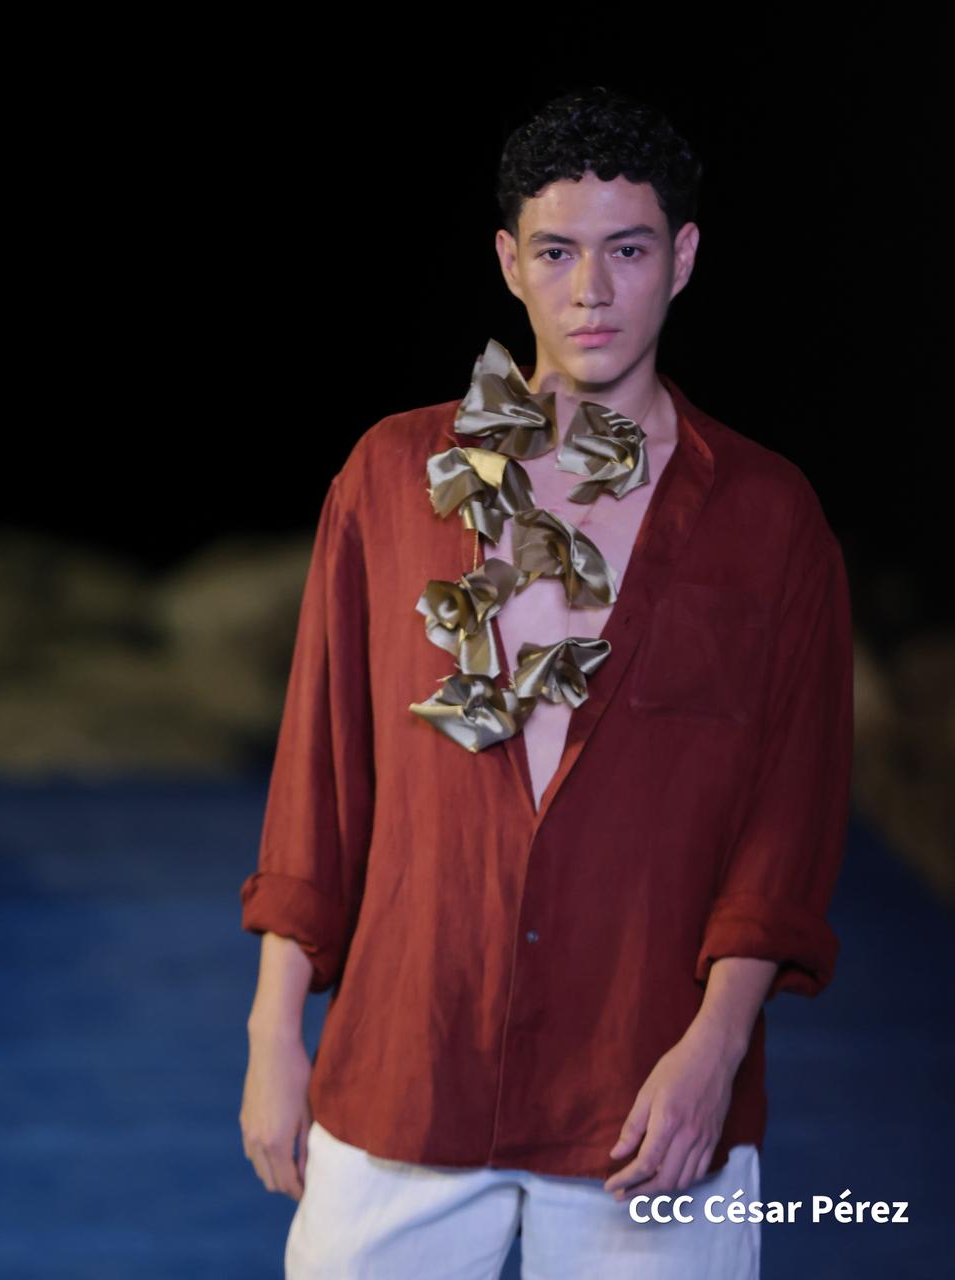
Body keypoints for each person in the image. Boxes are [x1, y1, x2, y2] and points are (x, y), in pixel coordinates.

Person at [238, 85, 853, 1279]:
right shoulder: (391, 476)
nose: (592, 291)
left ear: (682, 257)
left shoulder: (768, 517)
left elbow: (792, 811)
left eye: (628, 250)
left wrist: (716, 1051)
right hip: (409, 1064)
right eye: (559, 252)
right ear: (509, 262)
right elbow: (322, 768)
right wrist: (273, 1031)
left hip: (646, 1089)